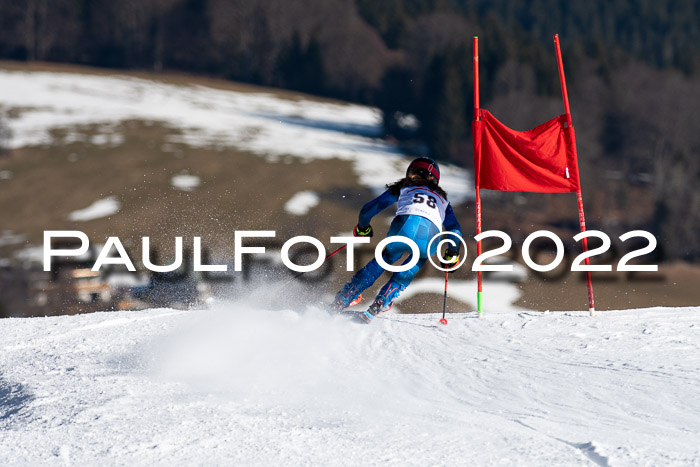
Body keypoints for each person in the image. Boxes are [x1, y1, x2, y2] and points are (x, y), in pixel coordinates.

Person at [330, 157, 463, 323]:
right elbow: (455, 230)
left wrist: (363, 228)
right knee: (416, 260)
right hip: (430, 237)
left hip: (403, 227)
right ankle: (382, 301)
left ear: (410, 172)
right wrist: (452, 254)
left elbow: (368, 210)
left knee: (384, 258)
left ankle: (346, 297)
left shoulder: (404, 187)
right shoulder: (444, 200)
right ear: (436, 179)